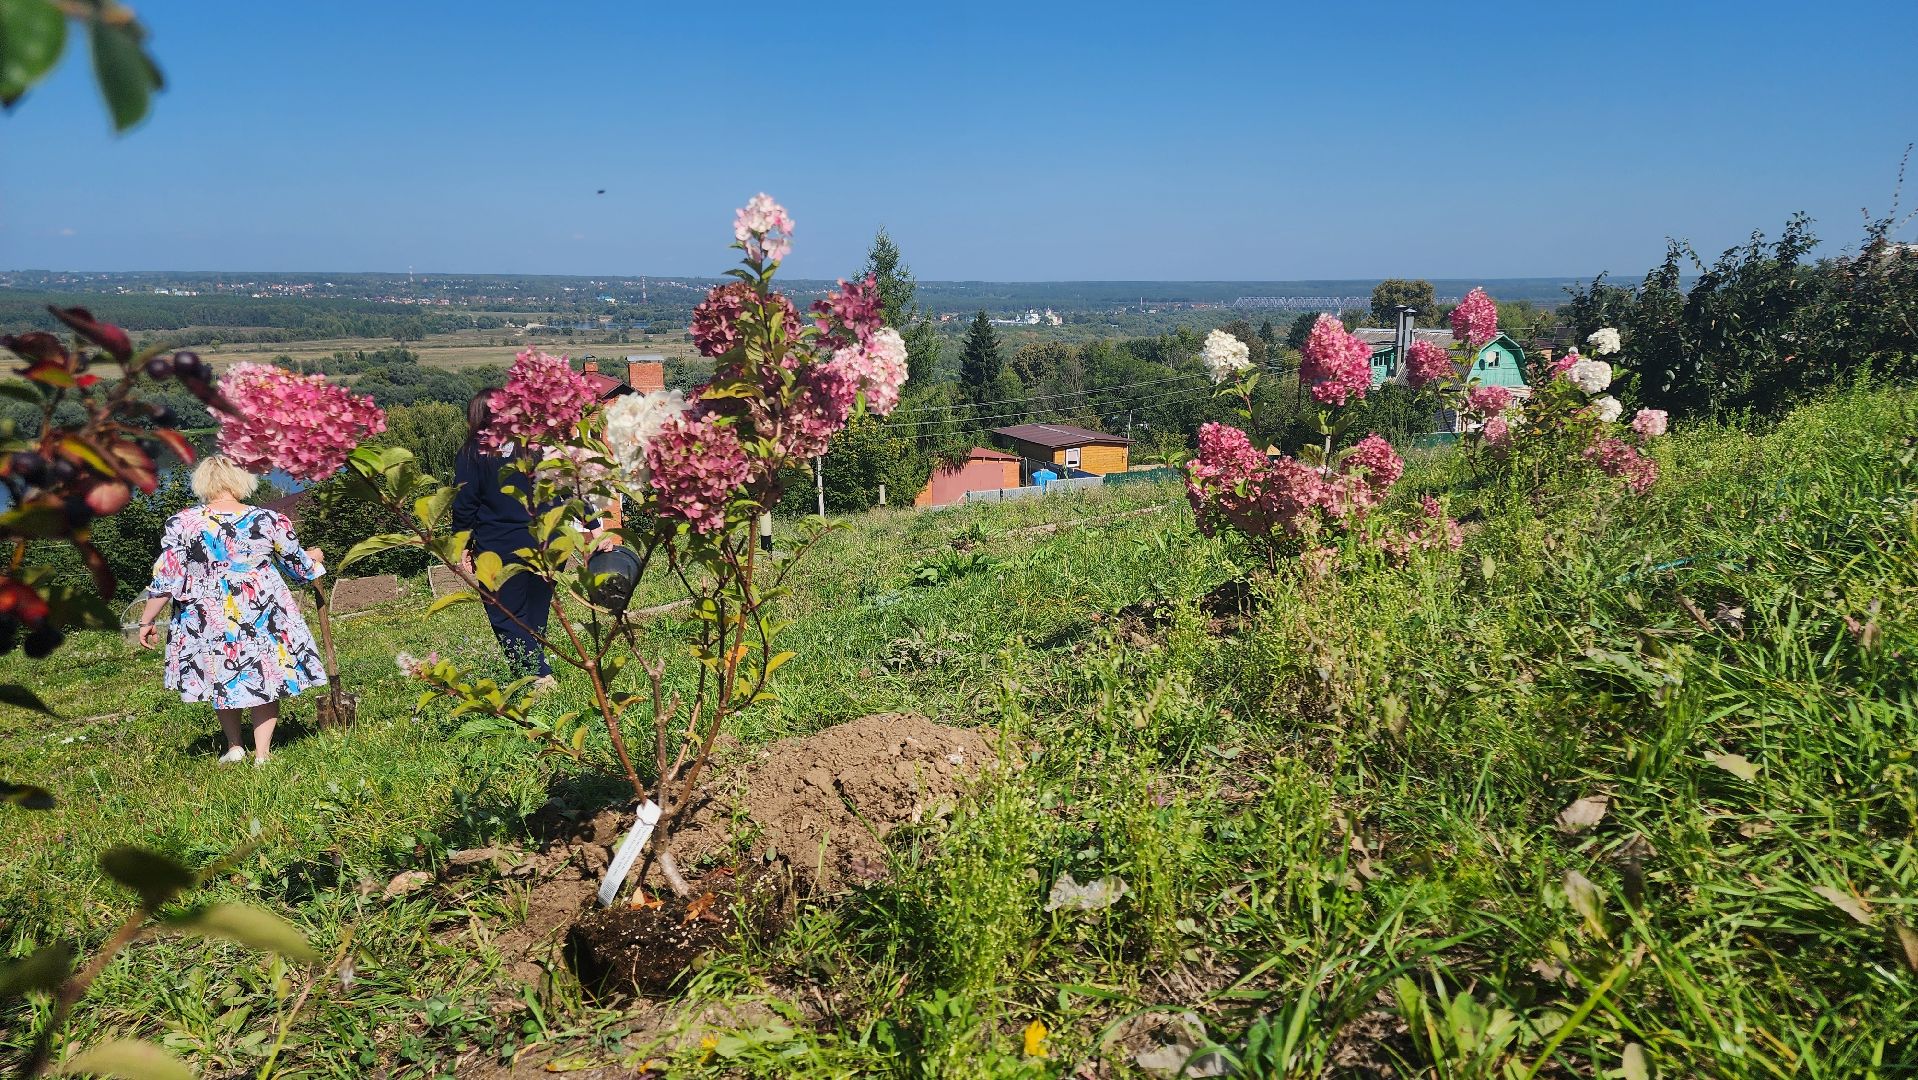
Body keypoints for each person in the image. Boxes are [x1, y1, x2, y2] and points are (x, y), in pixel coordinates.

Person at [136, 455, 327, 765]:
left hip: (206, 615)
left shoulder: (183, 523)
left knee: (220, 673)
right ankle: (262, 754)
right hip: (260, 610)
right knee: (263, 677)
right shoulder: (269, 520)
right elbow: (300, 568)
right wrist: (314, 558)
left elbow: (166, 576)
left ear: (203, 483)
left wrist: (147, 619)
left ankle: (235, 746)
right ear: (243, 480)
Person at [452, 390, 556, 686]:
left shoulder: (475, 451)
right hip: (546, 541)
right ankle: (538, 665)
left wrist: (461, 544)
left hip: (500, 546)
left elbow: (465, 503)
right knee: (535, 610)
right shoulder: (534, 444)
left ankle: (536, 678)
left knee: (504, 612)